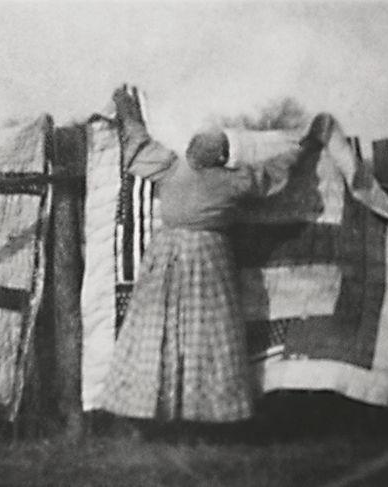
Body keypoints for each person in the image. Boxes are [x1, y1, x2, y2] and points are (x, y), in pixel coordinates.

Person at [97, 85, 291, 425]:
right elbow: (274, 174)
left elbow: (136, 144)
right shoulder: (233, 180)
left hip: (170, 255)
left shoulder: (171, 168)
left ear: (191, 152)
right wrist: (301, 146)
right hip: (206, 258)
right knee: (206, 335)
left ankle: (156, 411)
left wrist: (127, 107)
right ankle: (202, 414)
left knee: (162, 329)